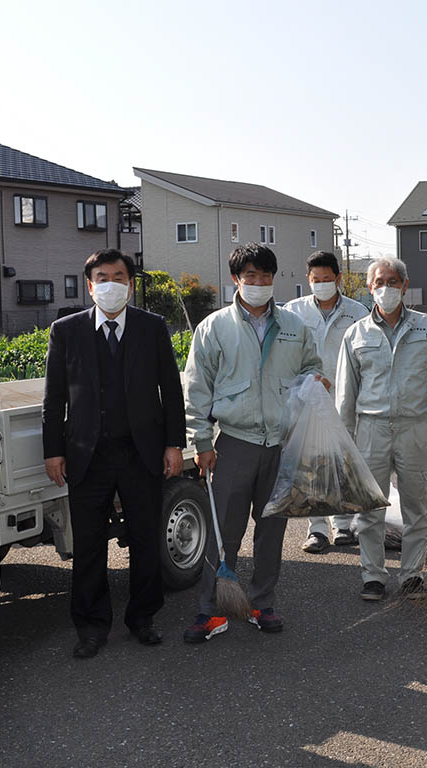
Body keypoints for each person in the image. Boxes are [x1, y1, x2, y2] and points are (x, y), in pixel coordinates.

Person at [43, 249, 186, 658]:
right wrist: (53, 451)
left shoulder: (151, 327)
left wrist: (174, 443)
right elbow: (54, 399)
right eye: (101, 277)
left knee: (145, 538)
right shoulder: (66, 331)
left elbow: (170, 391)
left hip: (141, 452)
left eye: (118, 276)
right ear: (90, 285)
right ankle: (90, 625)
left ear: (130, 283)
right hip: (87, 454)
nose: (110, 284)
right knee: (88, 544)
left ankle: (143, 618)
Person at [183, 243, 324, 643]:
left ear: (274, 279)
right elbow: (197, 389)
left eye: (265, 276)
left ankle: (263, 603)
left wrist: (317, 379)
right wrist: (202, 441)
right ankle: (209, 611)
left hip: (280, 444)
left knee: (271, 530)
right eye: (250, 277)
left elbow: (312, 366)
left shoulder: (295, 326)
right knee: (221, 531)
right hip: (233, 443)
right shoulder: (215, 327)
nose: (259, 284)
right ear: (235, 280)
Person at [336, 257, 427, 601]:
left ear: (404, 286)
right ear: (369, 287)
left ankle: (412, 574)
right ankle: (373, 575)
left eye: (392, 281)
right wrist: (344, 441)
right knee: (370, 507)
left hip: (414, 426)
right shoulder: (355, 334)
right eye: (378, 282)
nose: (385, 288)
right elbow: (346, 394)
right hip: (370, 428)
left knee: (416, 506)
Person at [283, 251, 369, 554]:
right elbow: (286, 355)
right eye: (315, 280)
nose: (321, 285)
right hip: (307, 399)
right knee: (313, 465)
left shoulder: (357, 313)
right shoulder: (293, 312)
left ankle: (343, 525)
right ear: (308, 279)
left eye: (327, 280)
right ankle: (317, 529)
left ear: (339, 278)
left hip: (346, 397)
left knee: (343, 461)